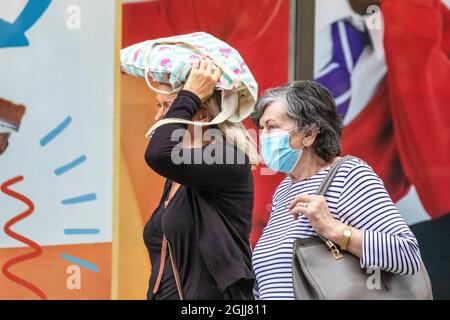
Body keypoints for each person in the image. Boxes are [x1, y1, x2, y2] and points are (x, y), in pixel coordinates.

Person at [250, 80, 422, 300]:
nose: (263, 137)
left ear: (309, 133)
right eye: (261, 129)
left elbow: (406, 254)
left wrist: (333, 229)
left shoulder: (348, 174)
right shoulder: (284, 190)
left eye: (272, 127)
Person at [143, 57, 258, 300]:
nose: (158, 118)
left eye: (167, 107)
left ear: (201, 115)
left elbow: (157, 154)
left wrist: (189, 95)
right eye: (159, 107)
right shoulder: (181, 174)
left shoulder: (229, 158)